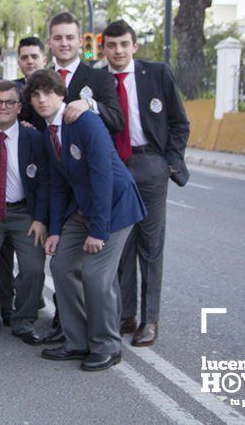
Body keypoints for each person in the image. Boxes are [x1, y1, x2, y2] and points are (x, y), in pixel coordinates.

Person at [27, 69, 145, 372]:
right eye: (36, 94)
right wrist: (55, 230)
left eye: (48, 93)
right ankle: (76, 340)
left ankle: (107, 345)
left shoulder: (85, 122)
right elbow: (57, 184)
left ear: (61, 95)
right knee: (61, 265)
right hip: (83, 207)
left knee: (95, 273)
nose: (41, 99)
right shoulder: (47, 133)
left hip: (114, 207)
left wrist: (98, 230)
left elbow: (103, 177)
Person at [102, 20, 190, 347]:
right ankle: (126, 314)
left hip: (151, 162)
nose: (118, 51)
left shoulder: (157, 73)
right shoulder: (97, 80)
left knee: (150, 247)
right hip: (116, 167)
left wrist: (170, 163)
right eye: (112, 45)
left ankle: (150, 320)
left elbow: (179, 122)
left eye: (124, 44)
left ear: (135, 46)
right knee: (122, 243)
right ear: (104, 48)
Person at [40, 13, 124, 345]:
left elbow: (116, 120)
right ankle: (70, 334)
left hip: (102, 187)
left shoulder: (98, 80)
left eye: (69, 37)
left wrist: (89, 104)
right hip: (66, 182)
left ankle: (105, 338)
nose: (63, 43)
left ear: (80, 41)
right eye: (57, 38)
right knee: (62, 266)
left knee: (97, 272)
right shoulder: (41, 80)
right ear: (50, 41)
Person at [0, 80, 49, 346]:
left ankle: (23, 320)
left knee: (34, 268)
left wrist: (40, 218)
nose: (3, 107)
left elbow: (46, 182)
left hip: (24, 213)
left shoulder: (34, 138)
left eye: (9, 102)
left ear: (19, 107)